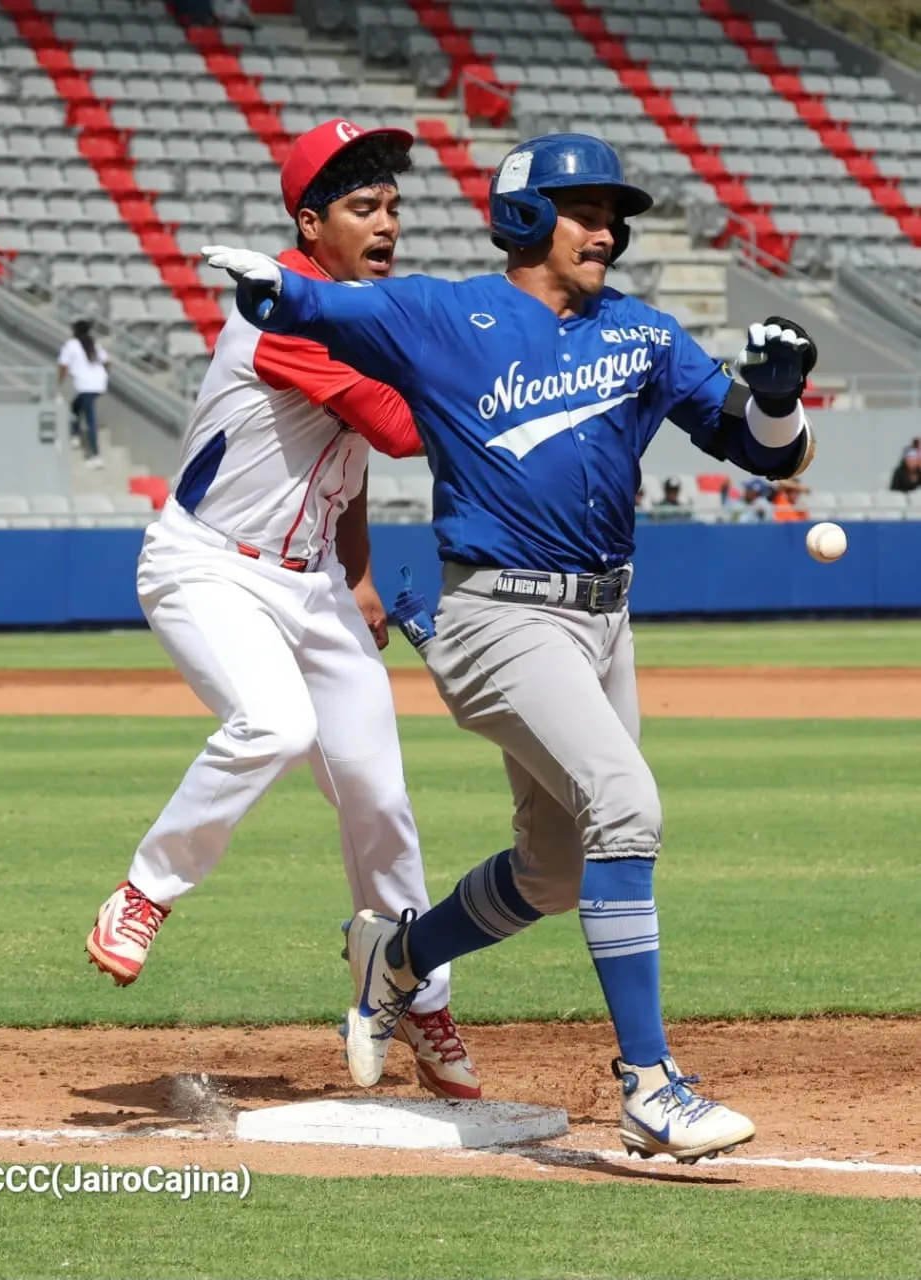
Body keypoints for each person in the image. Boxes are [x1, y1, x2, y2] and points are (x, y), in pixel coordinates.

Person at [202, 131, 819, 1162]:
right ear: (524, 218)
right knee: (628, 804)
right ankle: (650, 1084)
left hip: (600, 621)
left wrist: (776, 393)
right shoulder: (449, 314)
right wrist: (270, 284)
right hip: (497, 617)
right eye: (584, 208)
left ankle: (395, 958)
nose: (607, 229)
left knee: (554, 869)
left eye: (614, 212)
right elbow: (315, 305)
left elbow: (764, 454)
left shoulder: (642, 332)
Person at [85, 119, 480, 1102]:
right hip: (207, 566)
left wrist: (356, 572)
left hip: (310, 584)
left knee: (378, 796)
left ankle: (410, 986)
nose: (385, 220)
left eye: (391, 203)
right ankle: (143, 893)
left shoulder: (366, 312)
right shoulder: (279, 320)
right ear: (309, 224)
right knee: (274, 722)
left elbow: (339, 473)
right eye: (360, 205)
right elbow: (388, 426)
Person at [57, 320, 109, 470]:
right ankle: (74, 434)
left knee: (90, 418)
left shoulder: (71, 345)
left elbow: (63, 365)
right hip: (98, 384)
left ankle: (94, 455)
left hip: (85, 385)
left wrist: (59, 382)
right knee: (75, 406)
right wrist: (102, 374)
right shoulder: (93, 344)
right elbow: (108, 362)